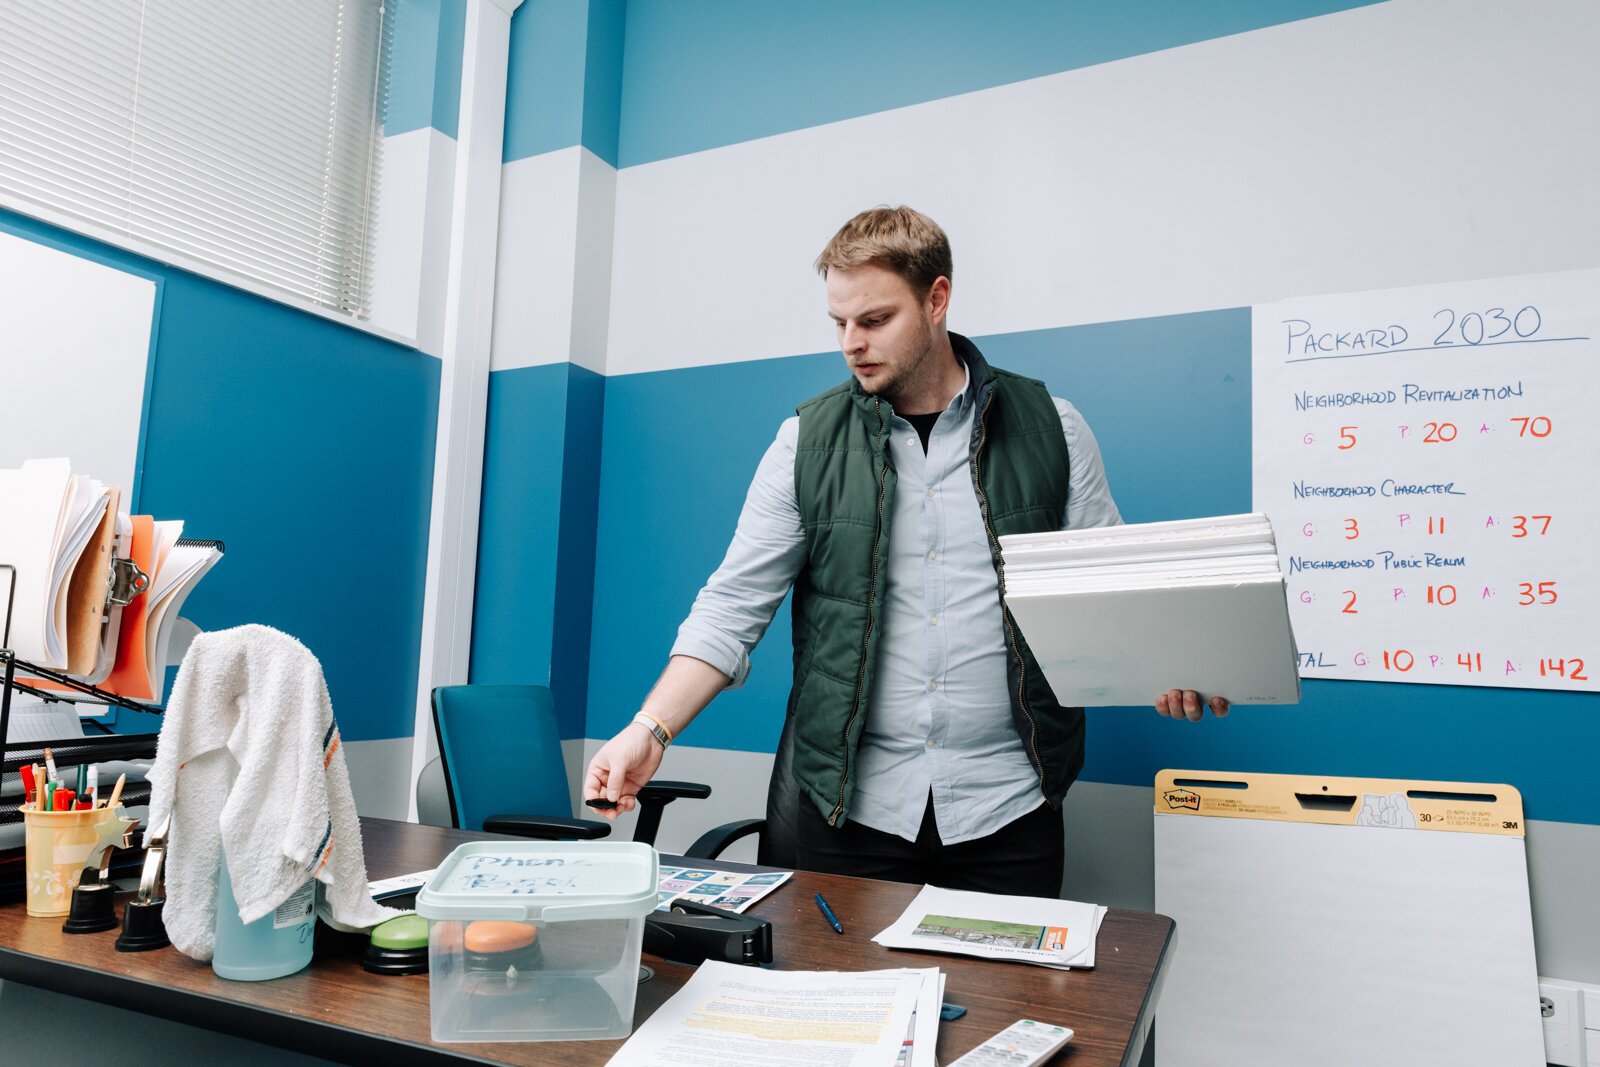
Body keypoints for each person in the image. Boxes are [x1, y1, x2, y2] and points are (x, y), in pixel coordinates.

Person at [584, 206, 1227, 896]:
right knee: (836, 1004)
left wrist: (1177, 659)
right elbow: (731, 607)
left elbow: (1110, 587)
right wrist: (649, 728)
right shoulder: (805, 444)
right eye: (840, 323)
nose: (852, 343)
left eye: (875, 320)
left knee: (998, 1005)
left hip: (1008, 808)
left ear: (937, 299)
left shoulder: (1053, 428)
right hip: (849, 815)